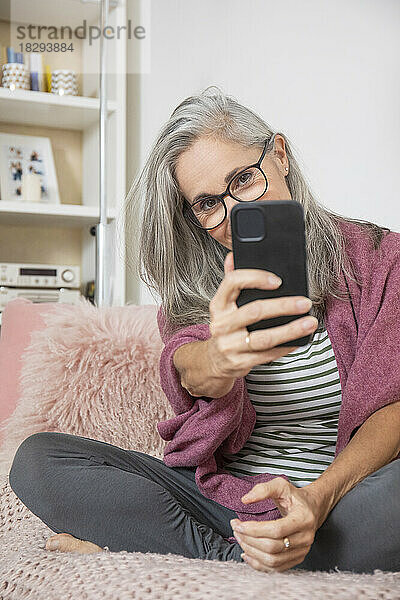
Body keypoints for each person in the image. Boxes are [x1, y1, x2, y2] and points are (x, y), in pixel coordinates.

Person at [9, 87, 400, 574]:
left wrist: (316, 500)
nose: (234, 212)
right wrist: (218, 358)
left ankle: (207, 550)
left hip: (338, 502)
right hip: (224, 506)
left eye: (244, 179)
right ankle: (241, 554)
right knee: (38, 460)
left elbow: (390, 408)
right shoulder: (193, 289)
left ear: (278, 155)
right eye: (208, 203)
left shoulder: (378, 258)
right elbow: (186, 363)